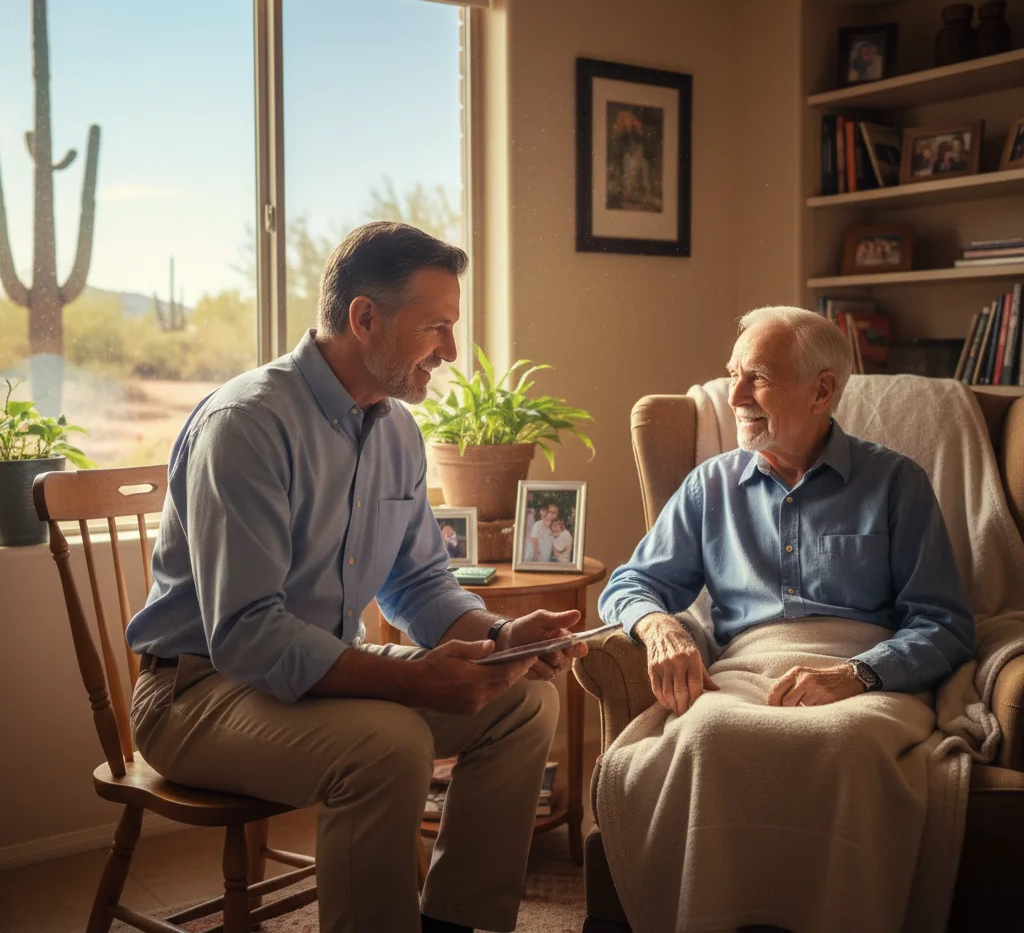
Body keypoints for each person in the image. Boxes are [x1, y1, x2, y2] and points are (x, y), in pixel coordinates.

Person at [125, 221, 587, 933]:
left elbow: (424, 585)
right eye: (436, 327)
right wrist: (413, 678)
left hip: (316, 676)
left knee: (525, 703)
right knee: (389, 745)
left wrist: (501, 637)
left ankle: (456, 922)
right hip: (196, 691)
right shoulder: (248, 425)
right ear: (363, 317)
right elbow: (248, 637)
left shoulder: (398, 430)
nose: (453, 352)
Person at [598, 305, 974, 931]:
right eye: (732, 373)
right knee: (706, 734)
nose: (734, 394)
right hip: (746, 669)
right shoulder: (707, 487)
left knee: (844, 744)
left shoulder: (897, 483)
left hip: (868, 677)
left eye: (758, 378)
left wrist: (857, 674)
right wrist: (658, 625)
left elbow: (945, 622)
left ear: (822, 390)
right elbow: (632, 582)